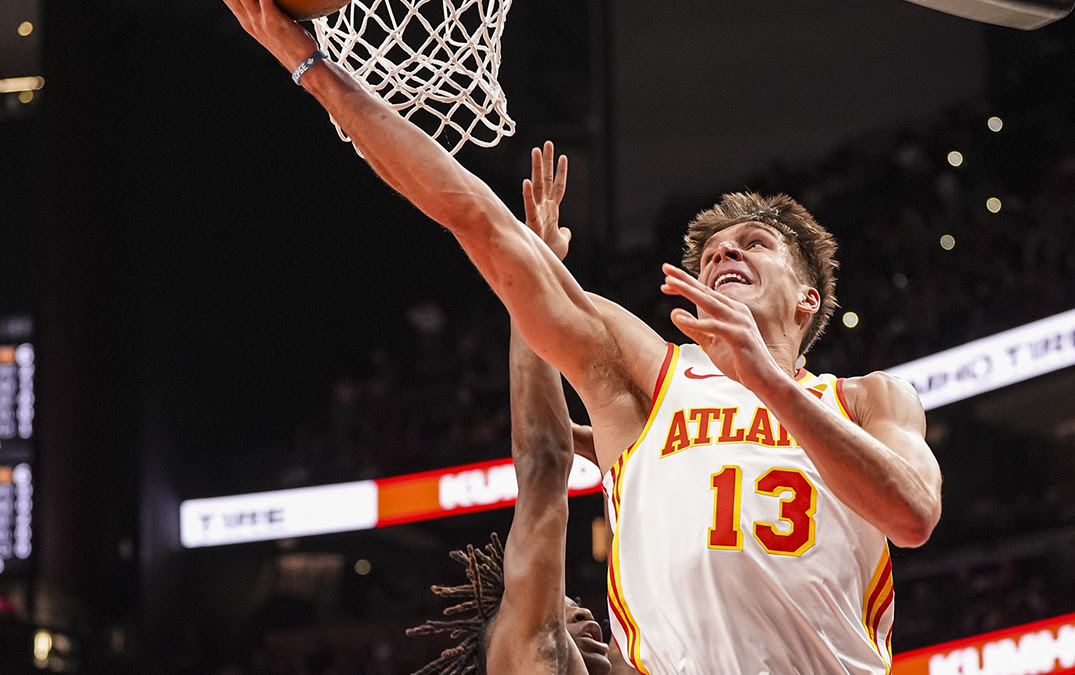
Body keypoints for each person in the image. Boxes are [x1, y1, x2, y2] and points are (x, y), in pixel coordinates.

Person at [222, 2, 944, 672]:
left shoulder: (869, 398)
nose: (727, 253)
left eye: (754, 243)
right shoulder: (647, 383)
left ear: (806, 301)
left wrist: (767, 382)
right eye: (715, 249)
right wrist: (310, 67)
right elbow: (475, 216)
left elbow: (911, 515)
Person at [406, 149, 622, 675]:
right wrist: (533, 282)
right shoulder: (527, 652)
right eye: (566, 608)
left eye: (570, 608)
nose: (589, 618)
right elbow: (545, 462)